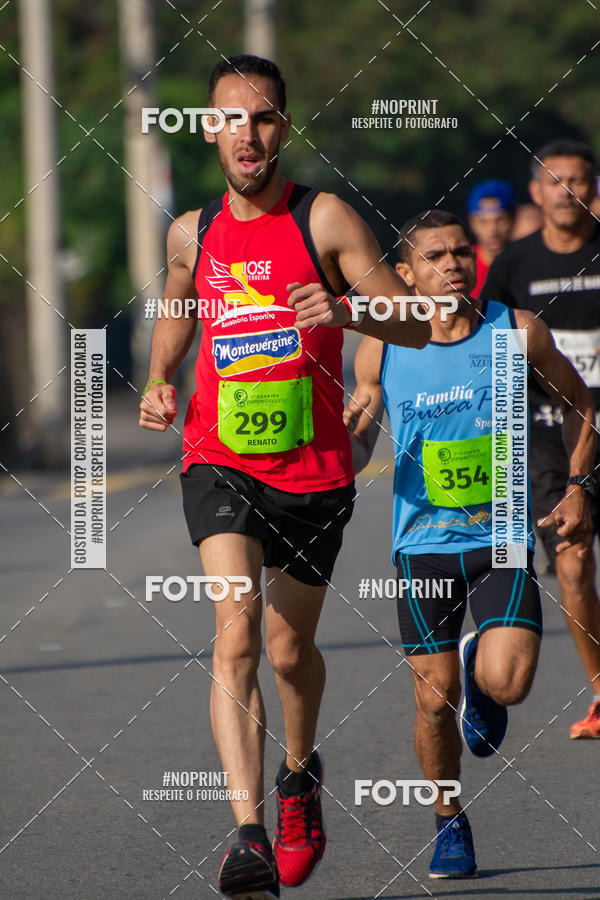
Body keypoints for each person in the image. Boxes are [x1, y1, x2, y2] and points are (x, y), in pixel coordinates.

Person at [139, 54, 430, 900]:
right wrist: (162, 378)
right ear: (210, 128)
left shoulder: (326, 218)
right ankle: (246, 836)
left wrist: (344, 309)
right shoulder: (189, 231)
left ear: (284, 130)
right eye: (234, 117)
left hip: (313, 471)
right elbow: (177, 313)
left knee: (288, 648)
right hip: (218, 458)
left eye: (265, 119)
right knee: (235, 634)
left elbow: (411, 323)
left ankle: (300, 776)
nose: (250, 134)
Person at [346, 210, 595, 878]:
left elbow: (581, 405)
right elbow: (362, 433)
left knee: (506, 684)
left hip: (502, 535)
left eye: (460, 253)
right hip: (422, 545)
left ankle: (480, 664)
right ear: (406, 273)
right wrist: (345, 445)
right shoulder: (383, 343)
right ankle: (448, 819)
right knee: (432, 701)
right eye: (434, 256)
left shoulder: (515, 330)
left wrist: (575, 487)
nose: (452, 264)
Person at [483, 139, 600, 738]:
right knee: (574, 562)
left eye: (578, 179)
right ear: (537, 192)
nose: (567, 190)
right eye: (556, 180)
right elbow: (492, 353)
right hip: (552, 433)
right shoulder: (513, 266)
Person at [466, 178, 516, 297]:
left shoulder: (527, 261)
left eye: (500, 220)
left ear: (513, 219)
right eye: (483, 222)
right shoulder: (462, 265)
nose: (492, 229)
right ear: (472, 223)